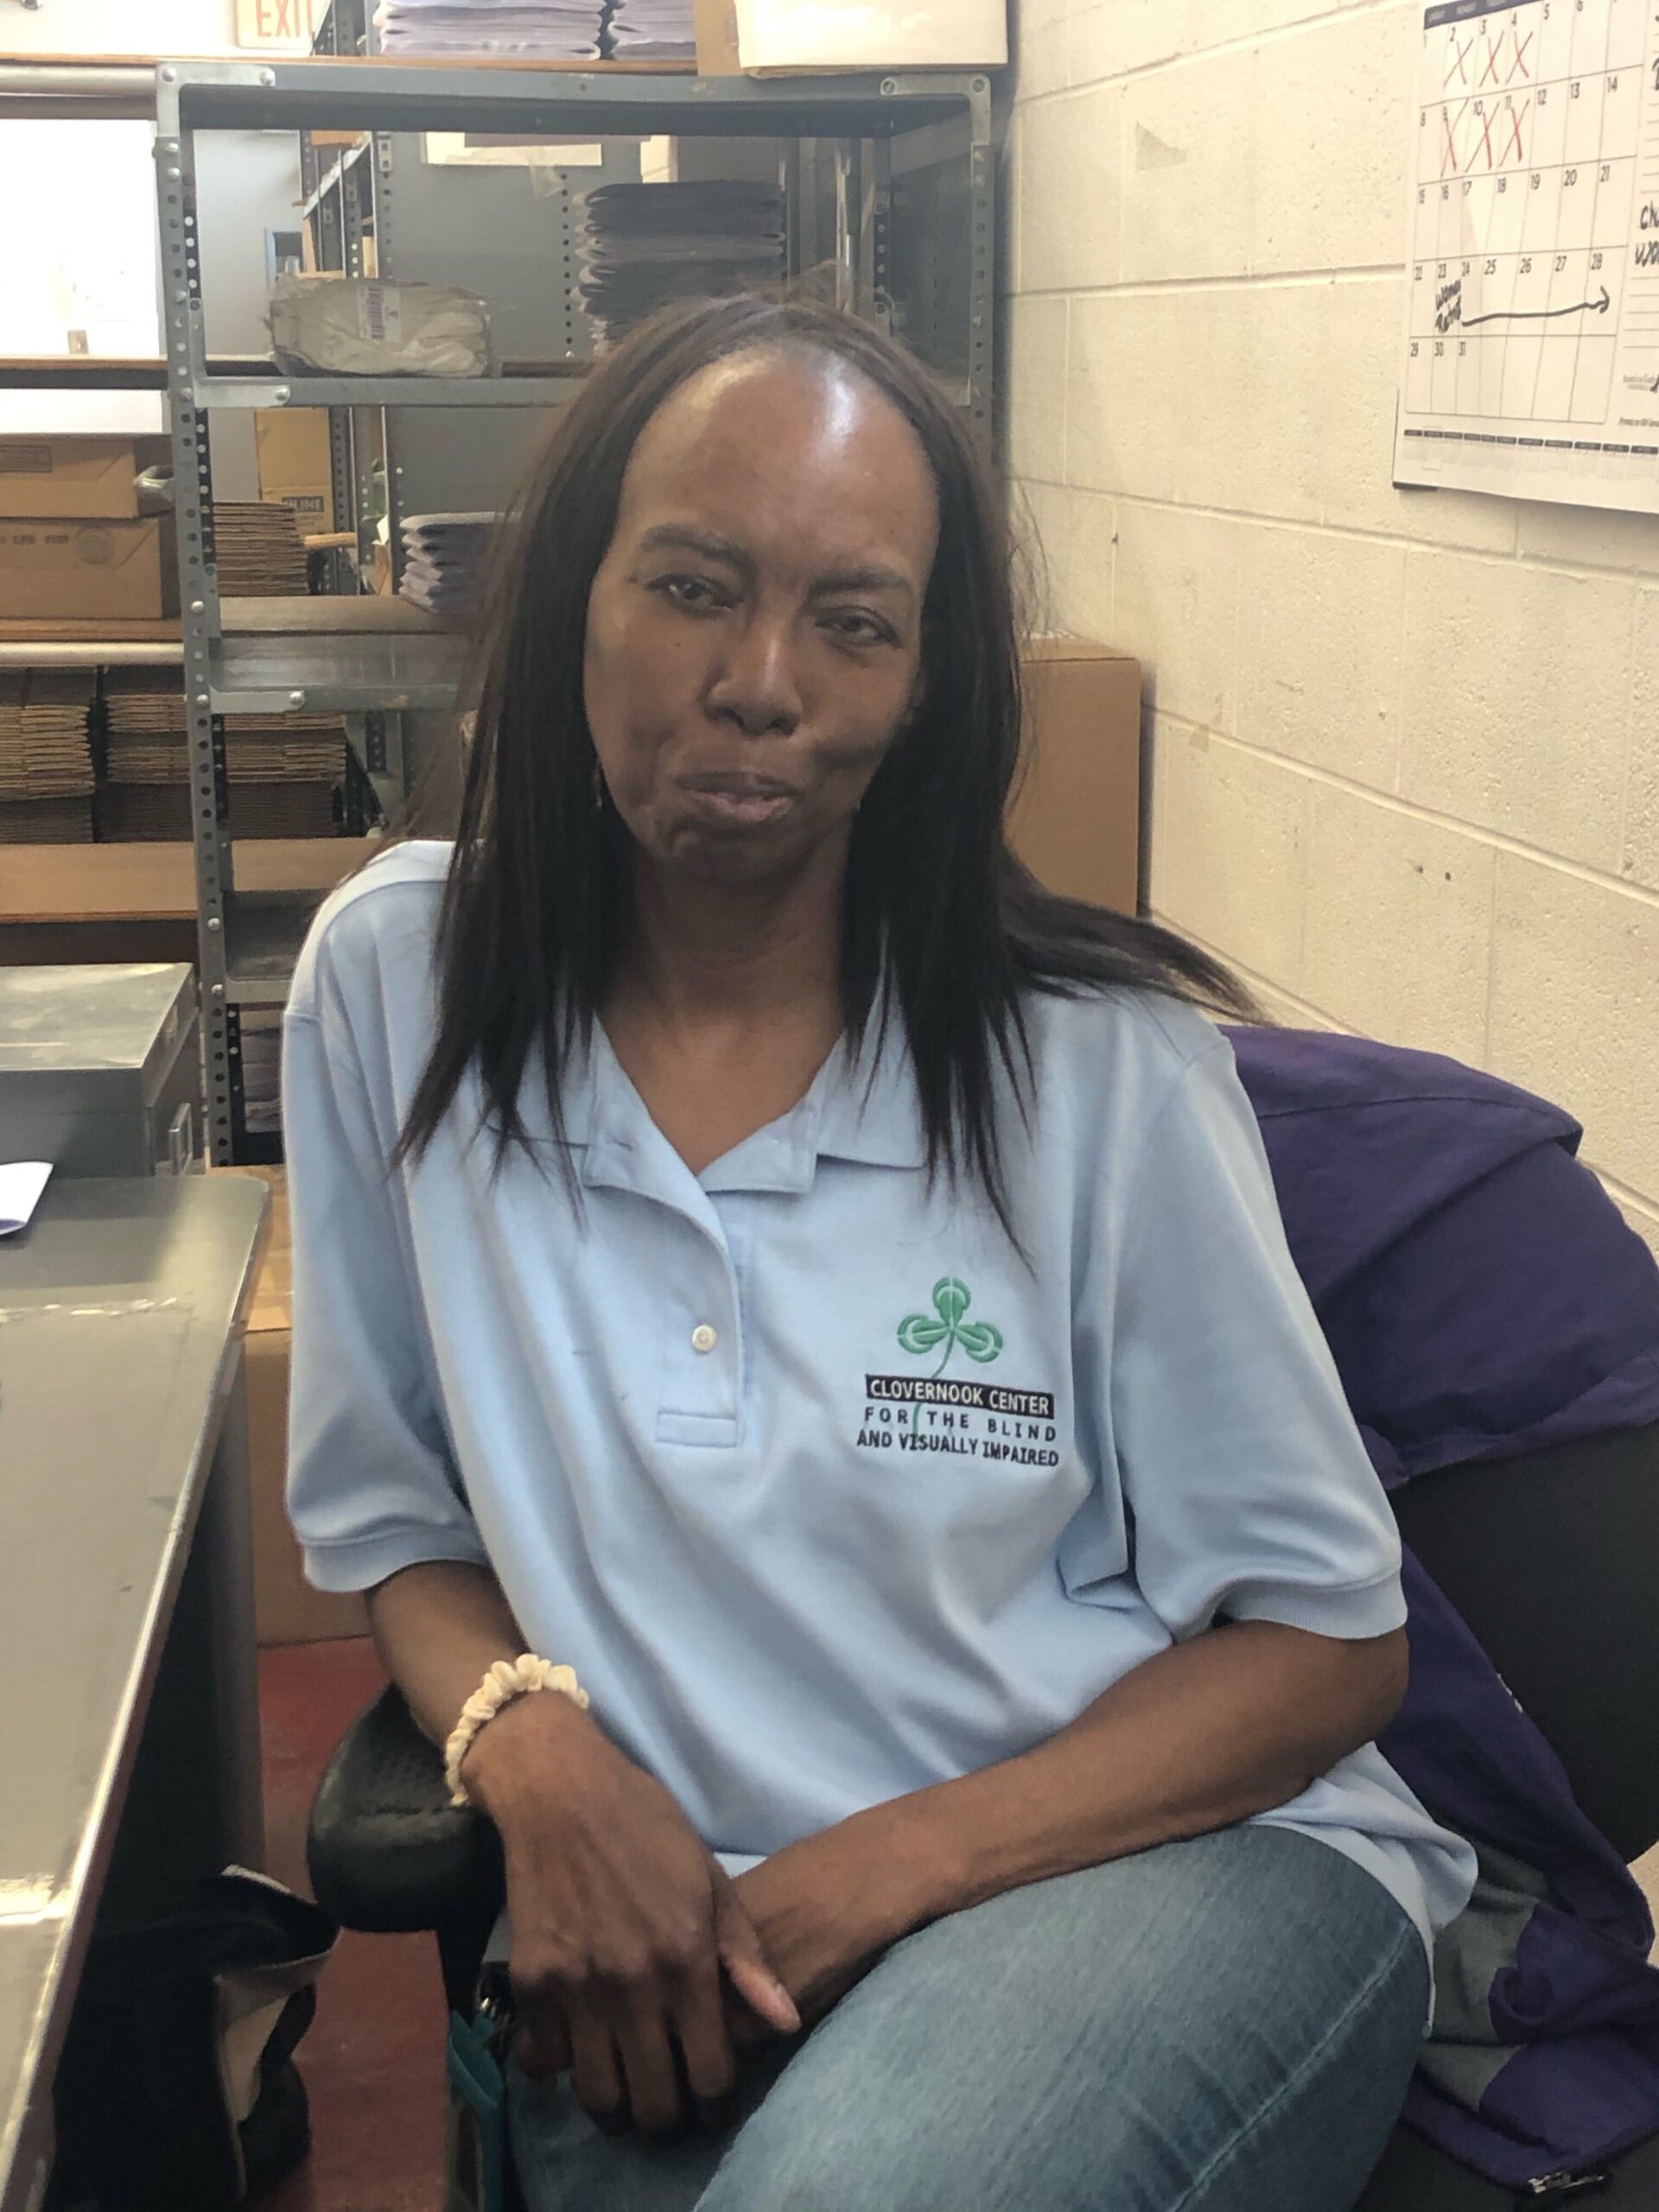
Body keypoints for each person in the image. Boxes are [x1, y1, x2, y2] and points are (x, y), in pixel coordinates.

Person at [283, 294, 1476, 2212]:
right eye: (693, 587)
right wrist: (539, 1755)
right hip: (687, 1933)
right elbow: (393, 1518)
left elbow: (1327, 1646)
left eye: (855, 622)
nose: (762, 681)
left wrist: (883, 1872)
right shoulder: (399, 989)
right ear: (575, 596)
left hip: (1157, 1871)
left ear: (924, 685)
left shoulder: (1099, 1076)